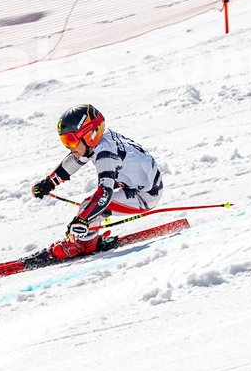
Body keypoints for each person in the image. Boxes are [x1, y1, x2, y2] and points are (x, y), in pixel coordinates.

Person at [30, 104, 164, 260]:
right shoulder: (97, 142)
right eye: (65, 141)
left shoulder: (105, 153)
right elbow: (72, 162)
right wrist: (48, 183)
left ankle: (84, 244)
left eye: (71, 140)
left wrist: (82, 220)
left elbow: (104, 194)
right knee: (89, 207)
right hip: (139, 184)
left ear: (90, 135)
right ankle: (88, 237)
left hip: (146, 195)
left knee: (90, 207)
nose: (69, 147)